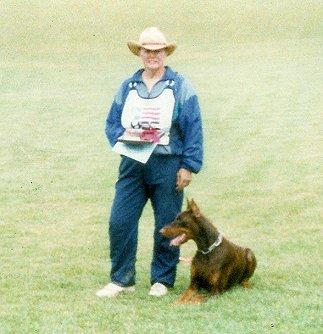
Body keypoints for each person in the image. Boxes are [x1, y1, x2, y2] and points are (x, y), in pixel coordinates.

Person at [96, 27, 203, 298]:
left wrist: (188, 165)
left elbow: (193, 126)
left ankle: (162, 279)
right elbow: (111, 122)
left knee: (167, 223)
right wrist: (123, 137)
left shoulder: (180, 86)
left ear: (166, 52)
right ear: (139, 53)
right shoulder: (127, 86)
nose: (152, 55)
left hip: (168, 165)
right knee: (120, 221)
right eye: (147, 50)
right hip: (132, 163)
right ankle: (122, 279)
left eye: (157, 50)